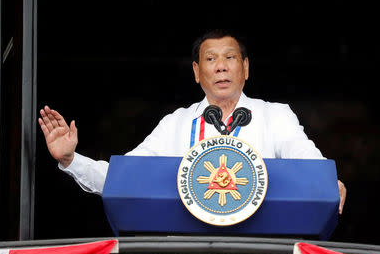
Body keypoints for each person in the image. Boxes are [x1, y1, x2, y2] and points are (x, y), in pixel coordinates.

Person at [38, 29, 347, 214]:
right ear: (198, 72)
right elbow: (125, 177)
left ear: (246, 68)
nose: (221, 67)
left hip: (259, 252)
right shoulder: (176, 123)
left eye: (230, 58)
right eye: (211, 60)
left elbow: (304, 157)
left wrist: (325, 182)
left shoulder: (275, 116)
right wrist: (70, 159)